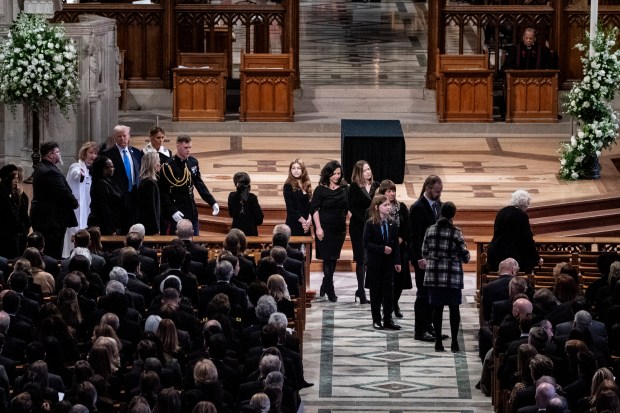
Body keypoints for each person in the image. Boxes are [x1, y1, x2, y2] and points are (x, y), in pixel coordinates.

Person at [422, 201, 470, 352]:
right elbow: (465, 255)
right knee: (454, 309)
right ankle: (455, 342)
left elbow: (424, 251)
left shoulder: (430, 230)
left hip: (434, 274)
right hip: (451, 275)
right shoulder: (456, 231)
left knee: (437, 309)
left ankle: (438, 342)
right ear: (453, 215)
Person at [160, 134, 219, 235]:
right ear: (178, 146)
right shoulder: (168, 166)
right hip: (178, 210)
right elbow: (164, 192)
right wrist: (172, 210)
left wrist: (212, 202)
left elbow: (199, 184)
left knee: (194, 240)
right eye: (185, 148)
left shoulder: (192, 162)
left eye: (190, 147)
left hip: (191, 209)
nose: (188, 150)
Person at [30, 141, 79, 259]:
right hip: (52, 220)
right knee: (53, 252)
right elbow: (64, 192)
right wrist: (75, 203)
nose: (60, 154)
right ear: (51, 155)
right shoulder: (50, 172)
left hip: (45, 218)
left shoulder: (40, 168)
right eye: (57, 152)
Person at [409, 174, 443, 342]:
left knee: (432, 294)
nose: (439, 194)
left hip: (436, 258)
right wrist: (419, 258)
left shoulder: (439, 206)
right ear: (428, 188)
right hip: (423, 259)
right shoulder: (418, 208)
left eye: (440, 191)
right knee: (422, 294)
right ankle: (419, 330)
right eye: (437, 191)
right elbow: (414, 237)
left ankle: (430, 327)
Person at [310, 160, 348, 302]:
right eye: (334, 174)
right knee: (327, 259)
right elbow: (314, 209)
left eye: (339, 173)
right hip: (324, 228)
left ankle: (325, 284)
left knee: (333, 259)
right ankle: (330, 288)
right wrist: (318, 228)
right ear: (328, 174)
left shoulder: (345, 188)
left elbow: (348, 207)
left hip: (339, 229)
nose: (337, 176)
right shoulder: (320, 190)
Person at [364, 195, 401, 330]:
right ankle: (376, 319)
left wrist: (397, 261)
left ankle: (388, 319)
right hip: (375, 263)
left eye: (389, 205)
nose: (388, 207)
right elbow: (366, 243)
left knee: (388, 292)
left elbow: (396, 244)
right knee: (376, 293)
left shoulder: (392, 223)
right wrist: (381, 249)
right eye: (385, 205)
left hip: (388, 263)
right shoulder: (371, 223)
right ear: (376, 207)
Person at [377, 179, 411, 318]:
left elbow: (408, 226)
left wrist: (401, 238)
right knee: (385, 280)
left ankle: (394, 303)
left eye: (393, 190)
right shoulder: (378, 207)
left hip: (399, 248)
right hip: (383, 249)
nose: (392, 193)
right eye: (389, 191)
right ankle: (386, 305)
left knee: (399, 280)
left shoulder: (401, 207)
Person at [101, 124, 144, 234]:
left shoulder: (136, 152)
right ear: (115, 138)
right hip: (117, 197)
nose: (122, 139)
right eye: (119, 136)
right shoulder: (107, 154)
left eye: (124, 136)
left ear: (129, 136)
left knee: (133, 225)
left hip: (134, 194)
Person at [486, 189, 541, 274]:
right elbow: (527, 239)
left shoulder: (502, 212)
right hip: (513, 257)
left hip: (495, 253)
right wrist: (536, 258)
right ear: (524, 204)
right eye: (528, 204)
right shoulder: (522, 215)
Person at [348, 160, 379, 305]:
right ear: (359, 173)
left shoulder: (376, 186)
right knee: (361, 260)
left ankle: (372, 289)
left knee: (372, 259)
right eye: (365, 170)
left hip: (374, 227)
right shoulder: (354, 187)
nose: (368, 172)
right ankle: (361, 291)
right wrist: (366, 220)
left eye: (369, 169)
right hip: (358, 227)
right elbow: (352, 208)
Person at [62, 141, 99, 258]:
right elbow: (75, 175)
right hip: (78, 210)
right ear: (84, 153)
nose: (93, 156)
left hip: (88, 208)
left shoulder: (91, 170)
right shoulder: (76, 166)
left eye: (95, 153)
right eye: (91, 153)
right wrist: (80, 175)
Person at [88, 156, 124, 235]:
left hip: (114, 224)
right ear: (104, 169)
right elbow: (104, 209)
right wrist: (111, 229)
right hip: (105, 227)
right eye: (111, 167)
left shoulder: (109, 181)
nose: (113, 169)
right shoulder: (101, 184)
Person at [0, 164, 30, 259]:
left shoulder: (13, 192)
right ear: (7, 178)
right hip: (6, 236)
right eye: (14, 178)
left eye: (17, 178)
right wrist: (22, 227)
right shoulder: (2, 194)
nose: (16, 181)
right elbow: (11, 215)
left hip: (15, 234)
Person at [282, 158, 312, 247]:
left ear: (303, 170)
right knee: (295, 255)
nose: (296, 171)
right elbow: (291, 209)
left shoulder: (307, 185)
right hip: (294, 224)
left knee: (307, 256)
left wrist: (309, 221)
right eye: (293, 168)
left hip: (306, 225)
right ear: (290, 170)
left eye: (298, 168)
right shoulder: (288, 186)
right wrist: (304, 222)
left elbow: (311, 205)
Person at [228, 172, 264, 236]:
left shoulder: (231, 196)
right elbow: (259, 218)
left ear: (235, 184)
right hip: (251, 233)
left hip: (236, 233)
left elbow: (231, 213)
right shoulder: (252, 198)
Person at [137, 152, 162, 235]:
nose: (159, 164)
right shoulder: (149, 183)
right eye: (157, 161)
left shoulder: (148, 181)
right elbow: (151, 208)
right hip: (150, 228)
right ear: (152, 164)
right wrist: (156, 228)